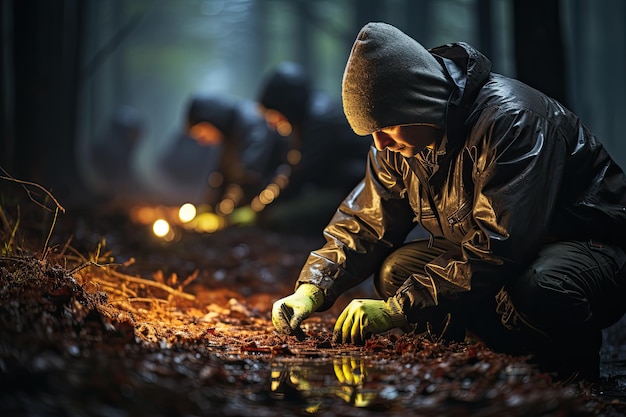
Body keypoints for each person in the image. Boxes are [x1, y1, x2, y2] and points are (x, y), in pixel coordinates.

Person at [271, 22, 626, 382]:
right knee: (398, 271)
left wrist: (397, 310)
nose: (379, 144)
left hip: (586, 247)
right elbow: (366, 222)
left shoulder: (512, 119)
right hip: (503, 251)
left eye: (386, 128)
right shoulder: (401, 142)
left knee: (539, 285)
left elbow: (500, 242)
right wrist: (312, 289)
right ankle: (476, 365)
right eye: (371, 133)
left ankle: (570, 379)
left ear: (421, 103)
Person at [256, 62, 371, 233]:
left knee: (278, 217)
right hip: (337, 185)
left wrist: (262, 207)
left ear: (286, 105)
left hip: (353, 191)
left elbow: (301, 172)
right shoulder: (308, 117)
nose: (273, 123)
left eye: (274, 115)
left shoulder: (321, 121)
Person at [161, 93, 287, 217]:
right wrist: (211, 208)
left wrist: (235, 210)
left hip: (278, 198)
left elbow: (251, 172)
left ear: (212, 119)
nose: (202, 140)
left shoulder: (250, 122)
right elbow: (223, 175)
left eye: (202, 132)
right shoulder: (229, 135)